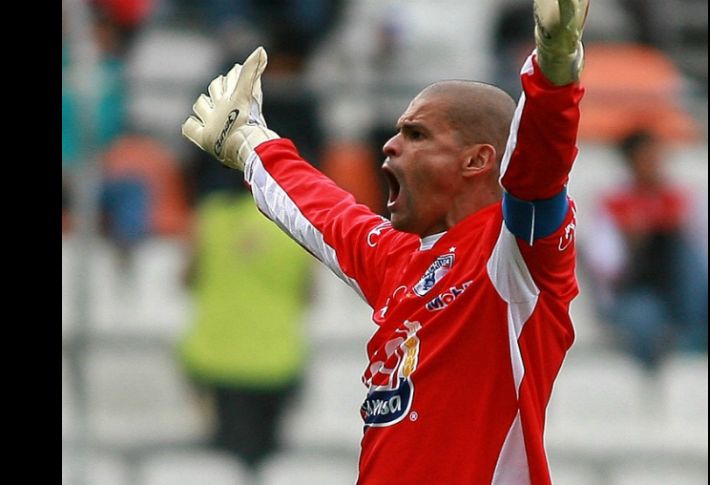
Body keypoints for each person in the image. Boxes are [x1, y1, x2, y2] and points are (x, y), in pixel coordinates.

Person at [181, 0, 589, 482]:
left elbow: (539, 167)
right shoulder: (404, 264)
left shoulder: (516, 257)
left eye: (416, 134)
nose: (391, 145)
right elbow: (327, 216)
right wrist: (251, 143)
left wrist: (554, 69)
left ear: (478, 160)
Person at [179, 166, 311, 466]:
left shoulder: (209, 216)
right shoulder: (295, 223)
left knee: (221, 464)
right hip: (277, 360)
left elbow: (187, 278)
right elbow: (308, 293)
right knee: (266, 463)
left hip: (214, 358)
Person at [584, 129, 708, 371]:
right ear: (630, 162)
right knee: (645, 319)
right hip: (636, 291)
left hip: (681, 289)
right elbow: (605, 265)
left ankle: (692, 346)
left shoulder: (682, 199)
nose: (655, 164)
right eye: (647, 158)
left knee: (683, 249)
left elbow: (699, 256)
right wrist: (634, 241)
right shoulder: (613, 204)